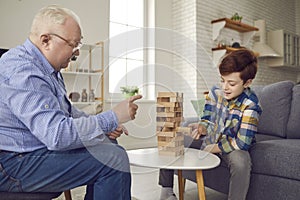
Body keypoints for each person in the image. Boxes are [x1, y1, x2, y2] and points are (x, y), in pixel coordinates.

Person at [0, 5, 142, 200]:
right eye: (72, 44)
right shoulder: (22, 70)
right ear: (46, 40)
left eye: (78, 45)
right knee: (113, 158)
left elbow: (67, 112)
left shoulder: (48, 69)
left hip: (31, 152)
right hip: (12, 163)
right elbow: (56, 135)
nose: (76, 53)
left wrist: (104, 126)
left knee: (108, 142)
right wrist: (112, 116)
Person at [159, 49, 262, 200]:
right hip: (212, 137)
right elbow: (207, 119)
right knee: (171, 134)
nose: (225, 87)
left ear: (247, 83)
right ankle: (166, 192)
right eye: (223, 80)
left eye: (231, 83)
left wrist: (215, 148)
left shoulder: (251, 105)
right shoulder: (216, 92)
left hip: (232, 144)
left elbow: (242, 143)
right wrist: (202, 127)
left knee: (241, 163)